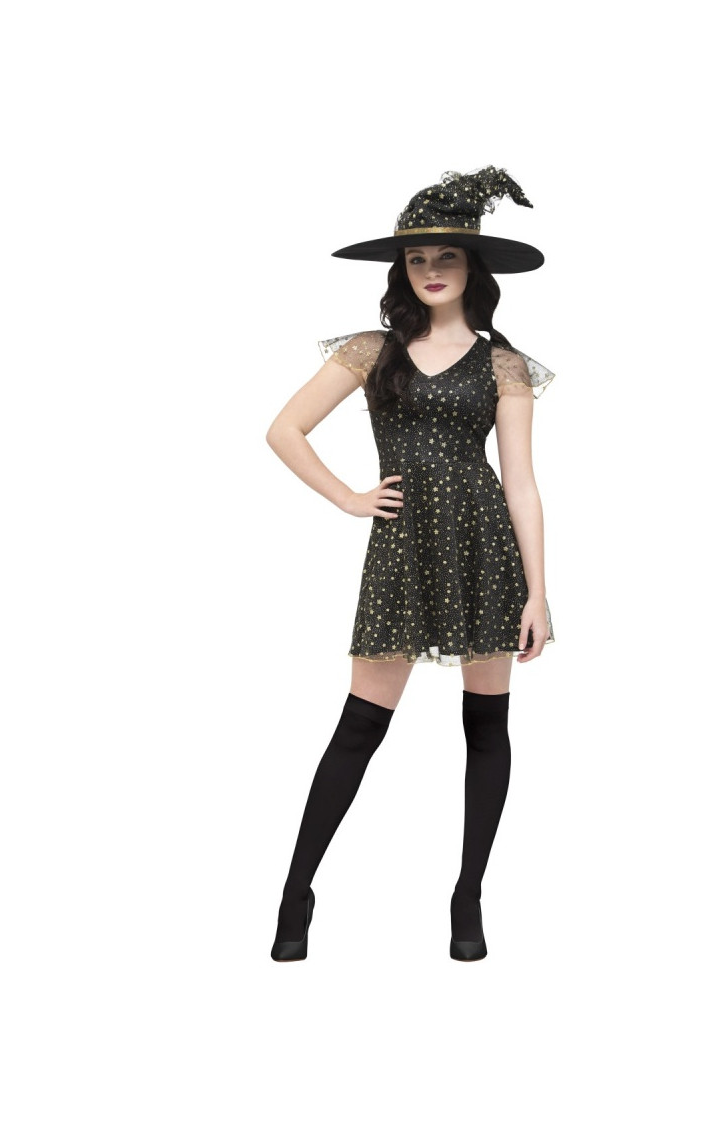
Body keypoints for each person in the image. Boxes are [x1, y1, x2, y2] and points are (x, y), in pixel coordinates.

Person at [265, 166, 555, 962]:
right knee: (360, 724)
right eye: (418, 258)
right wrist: (348, 497)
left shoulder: (504, 365)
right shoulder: (371, 351)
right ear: (402, 269)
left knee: (485, 725)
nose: (431, 270)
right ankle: (296, 891)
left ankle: (469, 896)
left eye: (447, 257)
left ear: (472, 268)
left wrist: (538, 594)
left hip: (484, 549)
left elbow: (522, 485)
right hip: (401, 550)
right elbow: (285, 430)